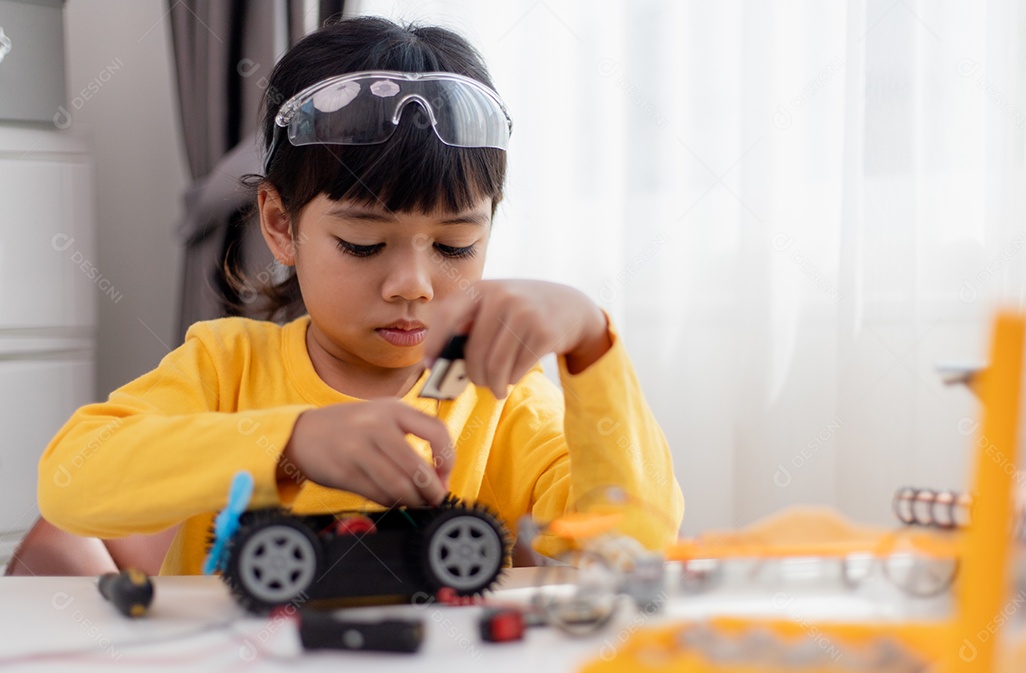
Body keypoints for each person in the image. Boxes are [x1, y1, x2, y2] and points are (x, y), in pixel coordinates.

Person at [38, 16, 683, 575]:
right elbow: (71, 482)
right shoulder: (225, 366)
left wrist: (592, 341)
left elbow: (632, 540)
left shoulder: (505, 401)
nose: (414, 285)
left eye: (456, 246)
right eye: (364, 245)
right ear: (281, 226)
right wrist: (288, 443)